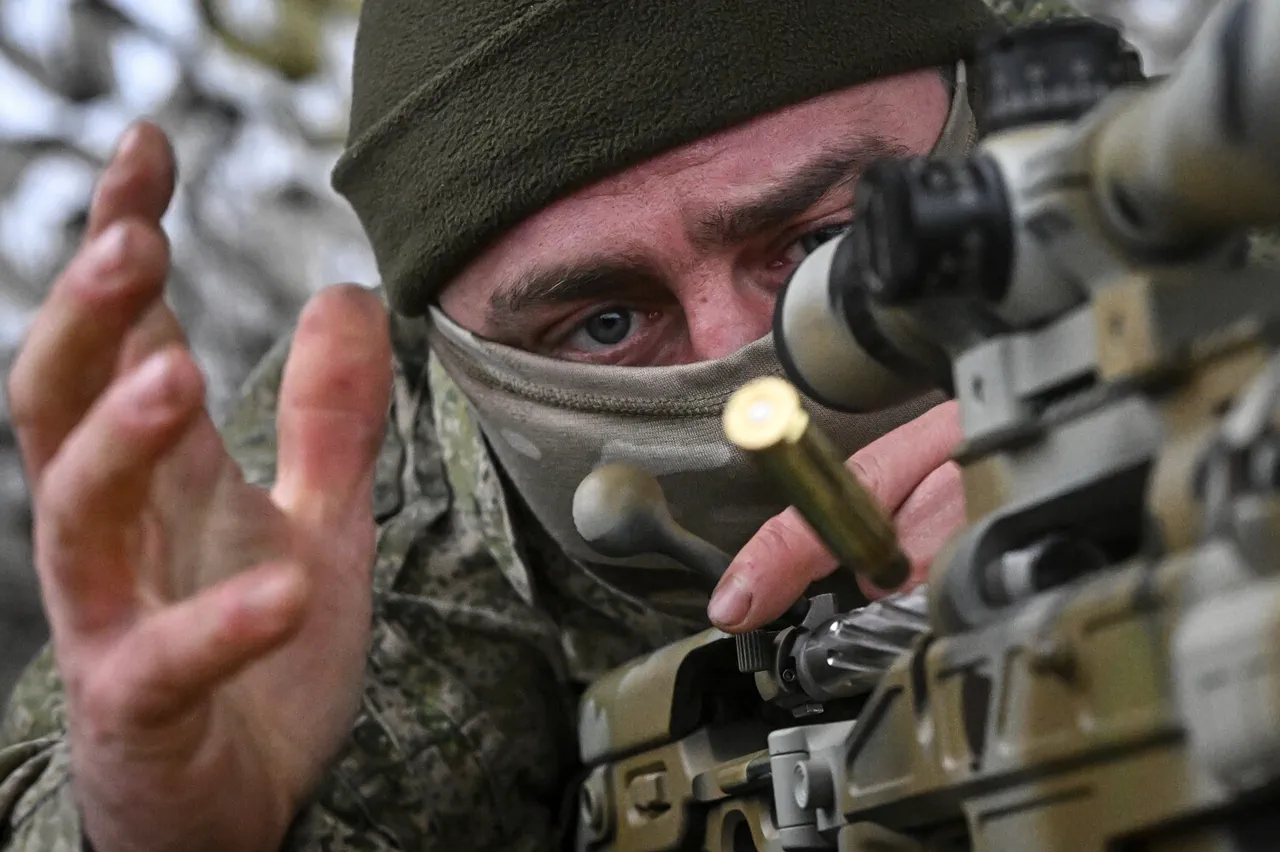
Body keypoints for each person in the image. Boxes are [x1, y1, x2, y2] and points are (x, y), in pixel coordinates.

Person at [0, 0, 1073, 849]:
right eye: (605, 324)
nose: (749, 384)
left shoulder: (1142, 193)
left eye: (820, 244)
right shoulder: (360, 532)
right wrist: (165, 826)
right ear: (460, 364)